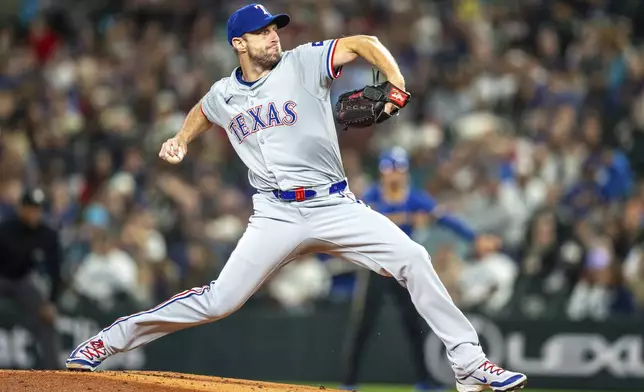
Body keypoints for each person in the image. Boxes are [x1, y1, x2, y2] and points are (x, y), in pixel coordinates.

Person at [66, 4, 528, 391]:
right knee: (219, 302)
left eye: (273, 29)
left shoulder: (304, 62)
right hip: (275, 214)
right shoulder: (224, 92)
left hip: (333, 204)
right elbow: (204, 111)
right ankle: (109, 341)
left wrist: (395, 78)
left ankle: (468, 363)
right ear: (238, 44)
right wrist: (182, 139)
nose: (273, 38)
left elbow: (363, 42)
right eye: (261, 32)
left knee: (413, 256)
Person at [340, 147, 501, 391]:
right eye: (390, 169)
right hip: (375, 269)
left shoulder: (414, 197)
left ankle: (426, 381)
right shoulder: (372, 196)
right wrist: (407, 220)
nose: (394, 175)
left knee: (415, 325)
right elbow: (353, 222)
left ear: (405, 172)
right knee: (363, 325)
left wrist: (474, 238)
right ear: (383, 173)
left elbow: (447, 219)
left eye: (399, 169)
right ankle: (348, 383)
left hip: (403, 271)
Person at [0, 188, 62, 369]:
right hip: (1, 277)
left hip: (23, 281)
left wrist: (51, 301)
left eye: (39, 209)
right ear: (22, 209)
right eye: (31, 208)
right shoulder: (6, 229)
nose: (35, 213)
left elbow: (55, 271)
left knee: (47, 316)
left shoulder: (47, 235)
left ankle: (55, 372)